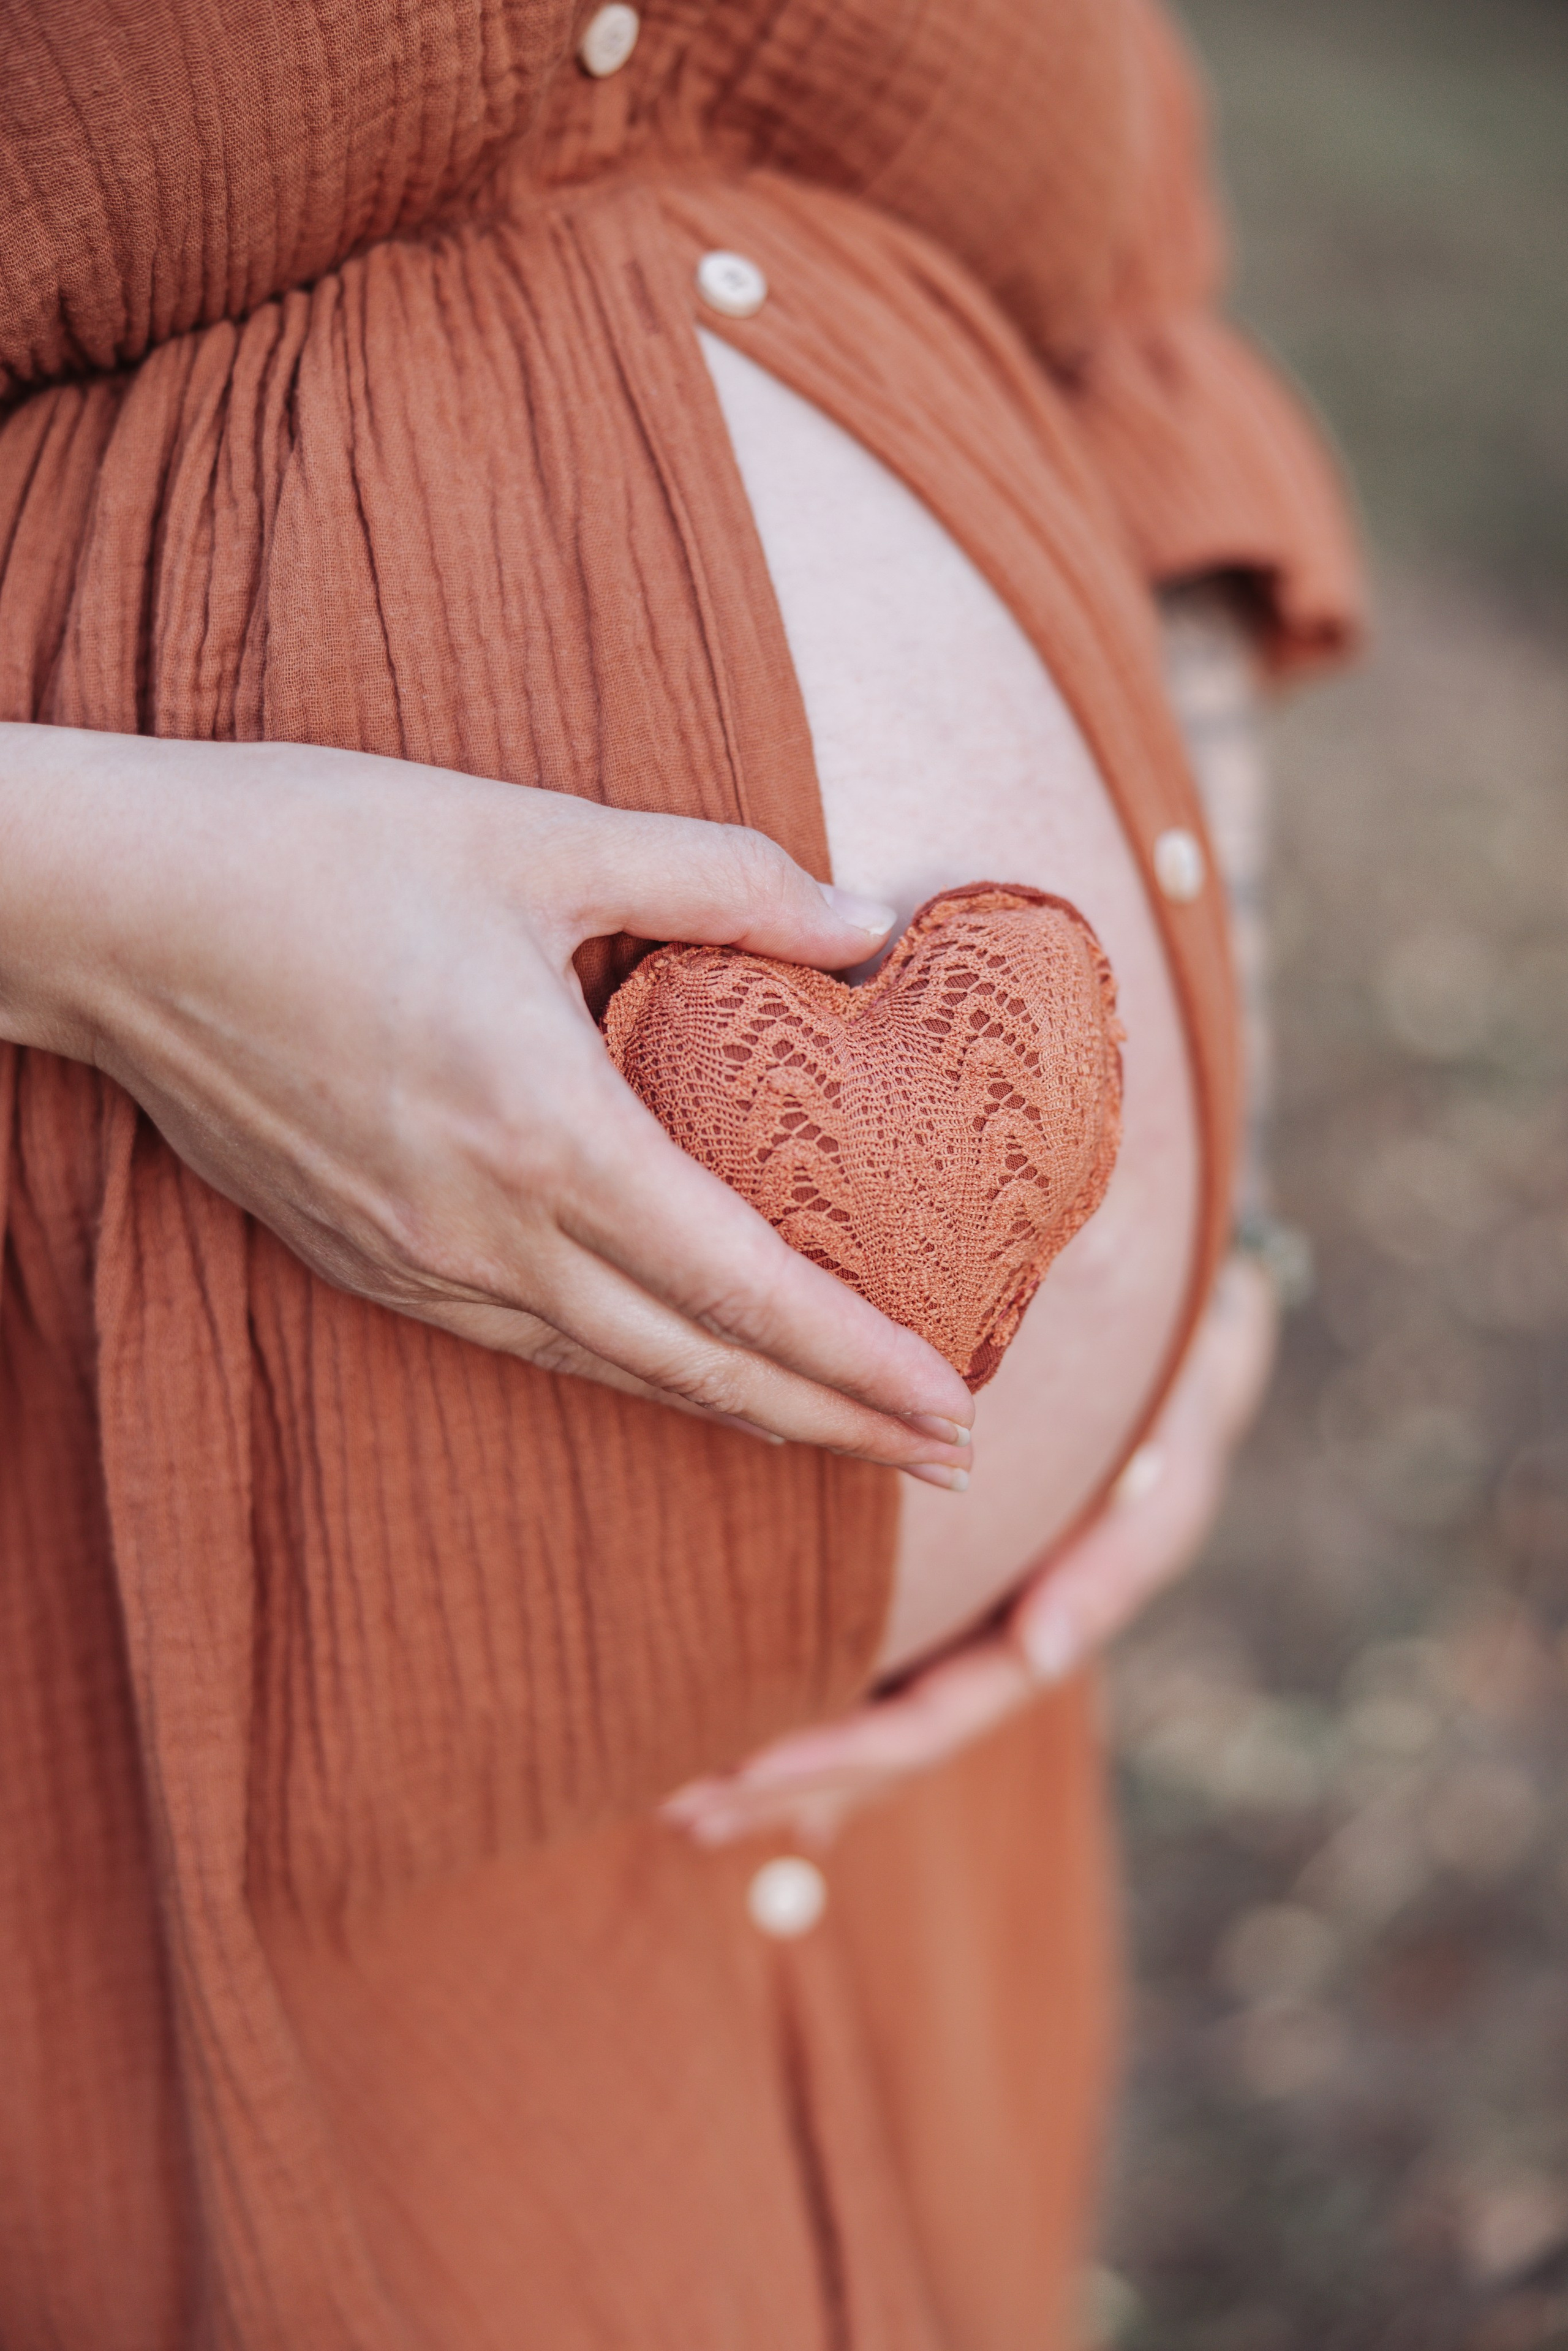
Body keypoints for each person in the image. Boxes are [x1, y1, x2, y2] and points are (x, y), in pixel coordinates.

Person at [0, 2, 1361, 2343]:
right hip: (147, 1662)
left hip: (923, 1798)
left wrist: (1212, 1222)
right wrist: (99, 912)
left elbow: (1133, 360)